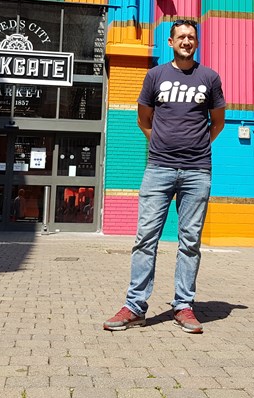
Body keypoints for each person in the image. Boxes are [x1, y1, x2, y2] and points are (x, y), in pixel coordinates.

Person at [104, 19, 225, 334]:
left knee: (190, 241)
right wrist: (159, 142)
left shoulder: (209, 78)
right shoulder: (155, 75)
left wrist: (195, 146)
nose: (186, 41)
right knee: (145, 238)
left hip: (197, 171)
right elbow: (144, 118)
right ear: (170, 42)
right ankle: (135, 307)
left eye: (191, 37)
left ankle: (183, 306)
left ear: (196, 43)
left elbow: (218, 122)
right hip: (158, 169)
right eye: (181, 36)